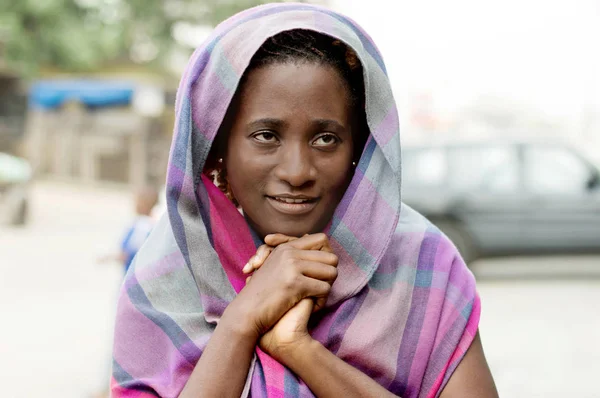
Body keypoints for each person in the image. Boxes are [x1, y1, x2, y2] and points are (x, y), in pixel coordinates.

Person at [111, 3, 498, 398]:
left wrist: (297, 348)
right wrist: (243, 319)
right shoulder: (164, 278)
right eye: (266, 136)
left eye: (325, 139)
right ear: (217, 148)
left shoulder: (424, 266)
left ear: (360, 149)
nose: (297, 172)